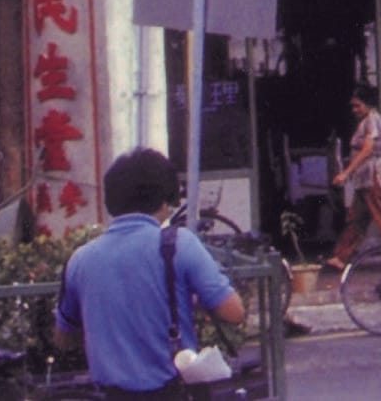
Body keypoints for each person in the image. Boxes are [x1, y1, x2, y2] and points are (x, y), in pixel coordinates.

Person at [55, 148, 245, 400]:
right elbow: (233, 312)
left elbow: (63, 338)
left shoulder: (80, 260)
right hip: (171, 391)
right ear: (164, 202)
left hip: (108, 394)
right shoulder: (179, 244)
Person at [324, 87, 381, 274]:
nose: (354, 110)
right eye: (353, 106)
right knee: (357, 219)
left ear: (368, 104)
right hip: (364, 180)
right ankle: (341, 257)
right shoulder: (367, 122)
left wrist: (346, 172)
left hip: (374, 178)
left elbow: (368, 149)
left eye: (357, 106)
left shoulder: (372, 120)